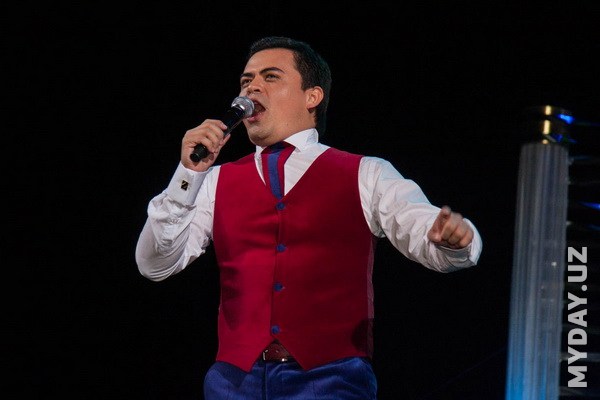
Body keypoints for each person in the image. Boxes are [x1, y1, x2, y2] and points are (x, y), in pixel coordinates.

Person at [135, 36, 482, 400]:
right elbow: (155, 265)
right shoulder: (213, 181)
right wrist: (187, 175)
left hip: (330, 381)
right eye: (246, 80)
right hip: (233, 383)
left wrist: (456, 241)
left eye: (270, 77)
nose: (252, 87)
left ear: (312, 96)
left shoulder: (366, 173)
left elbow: (424, 230)